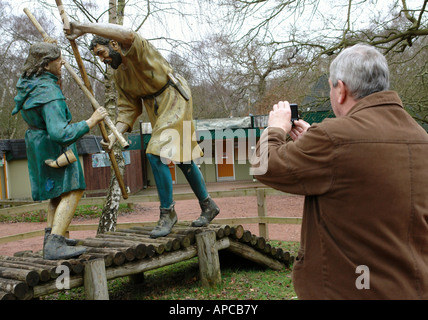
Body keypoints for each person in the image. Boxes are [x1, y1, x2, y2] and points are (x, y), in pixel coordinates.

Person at [251, 44, 428, 299]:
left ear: (341, 89)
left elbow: (263, 166)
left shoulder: (334, 138)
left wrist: (276, 129)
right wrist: (315, 140)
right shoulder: (420, 137)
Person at [66, 22, 220, 238]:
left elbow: (127, 34)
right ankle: (208, 205)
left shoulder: (138, 50)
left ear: (113, 44)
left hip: (174, 96)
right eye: (99, 57)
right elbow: (128, 110)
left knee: (155, 153)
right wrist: (114, 136)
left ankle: (168, 213)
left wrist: (84, 28)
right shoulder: (119, 76)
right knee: (182, 157)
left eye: (102, 53)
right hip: (155, 106)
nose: (103, 59)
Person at [12, 42, 108, 260]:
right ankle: (55, 242)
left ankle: (51, 237)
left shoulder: (30, 84)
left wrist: (50, 46)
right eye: (58, 59)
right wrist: (91, 121)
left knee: (56, 192)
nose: (62, 62)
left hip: (38, 145)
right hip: (54, 147)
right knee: (74, 189)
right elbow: (60, 133)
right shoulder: (49, 92)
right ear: (46, 64)